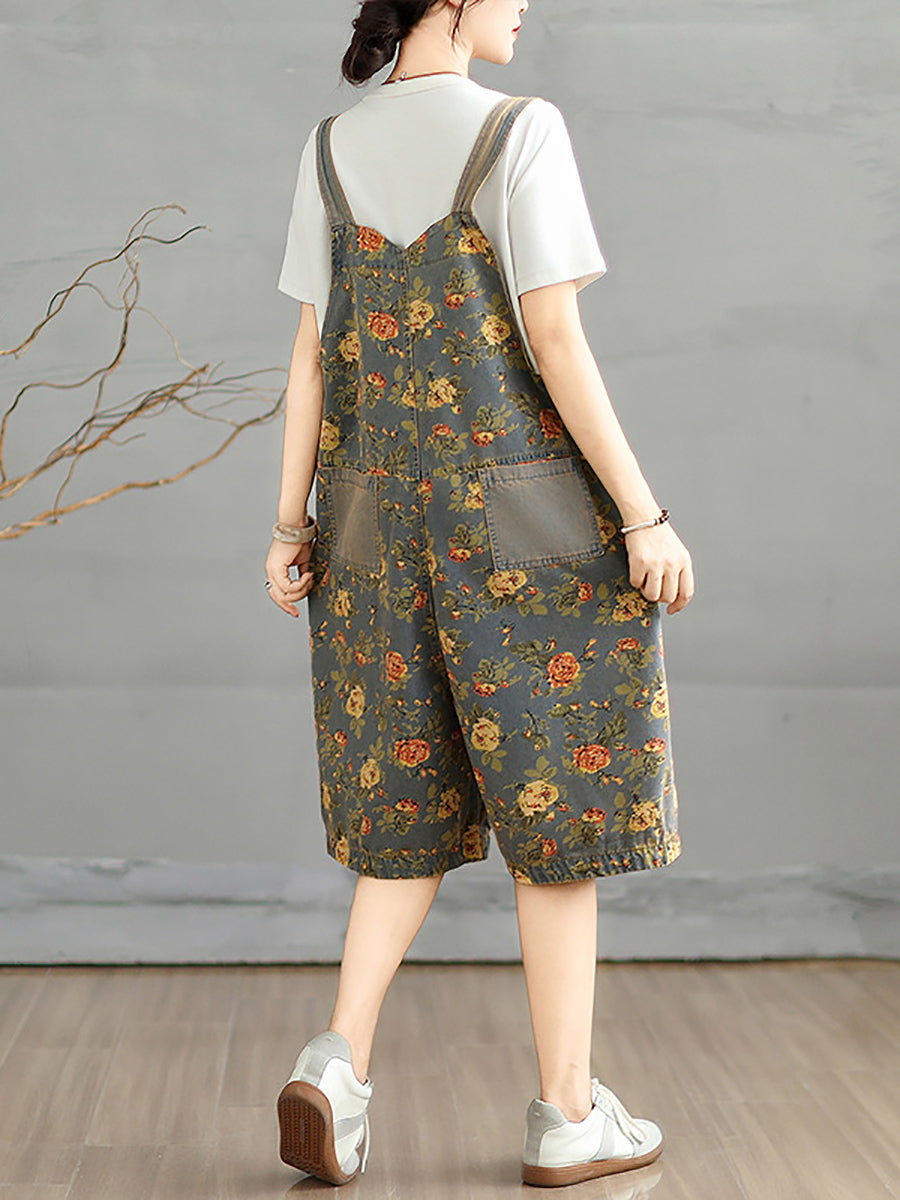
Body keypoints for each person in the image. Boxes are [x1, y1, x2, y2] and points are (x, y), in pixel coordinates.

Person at [266, 0, 694, 1187]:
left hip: (366, 536)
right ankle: (569, 1113)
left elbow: (307, 359)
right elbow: (554, 339)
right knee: (555, 822)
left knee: (401, 811)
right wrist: (644, 513)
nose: (526, 5)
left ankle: (337, 1065)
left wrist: (289, 527)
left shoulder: (328, 149)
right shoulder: (521, 131)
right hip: (524, 536)